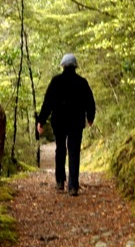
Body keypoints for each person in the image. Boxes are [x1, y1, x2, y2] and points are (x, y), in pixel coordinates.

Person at [36, 53, 96, 195]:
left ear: (63, 65)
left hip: (59, 122)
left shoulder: (56, 81)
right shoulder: (82, 82)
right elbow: (90, 101)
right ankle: (73, 186)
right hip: (76, 122)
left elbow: (47, 103)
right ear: (75, 66)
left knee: (60, 150)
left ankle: (59, 181)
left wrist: (41, 120)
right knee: (74, 152)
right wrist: (90, 117)